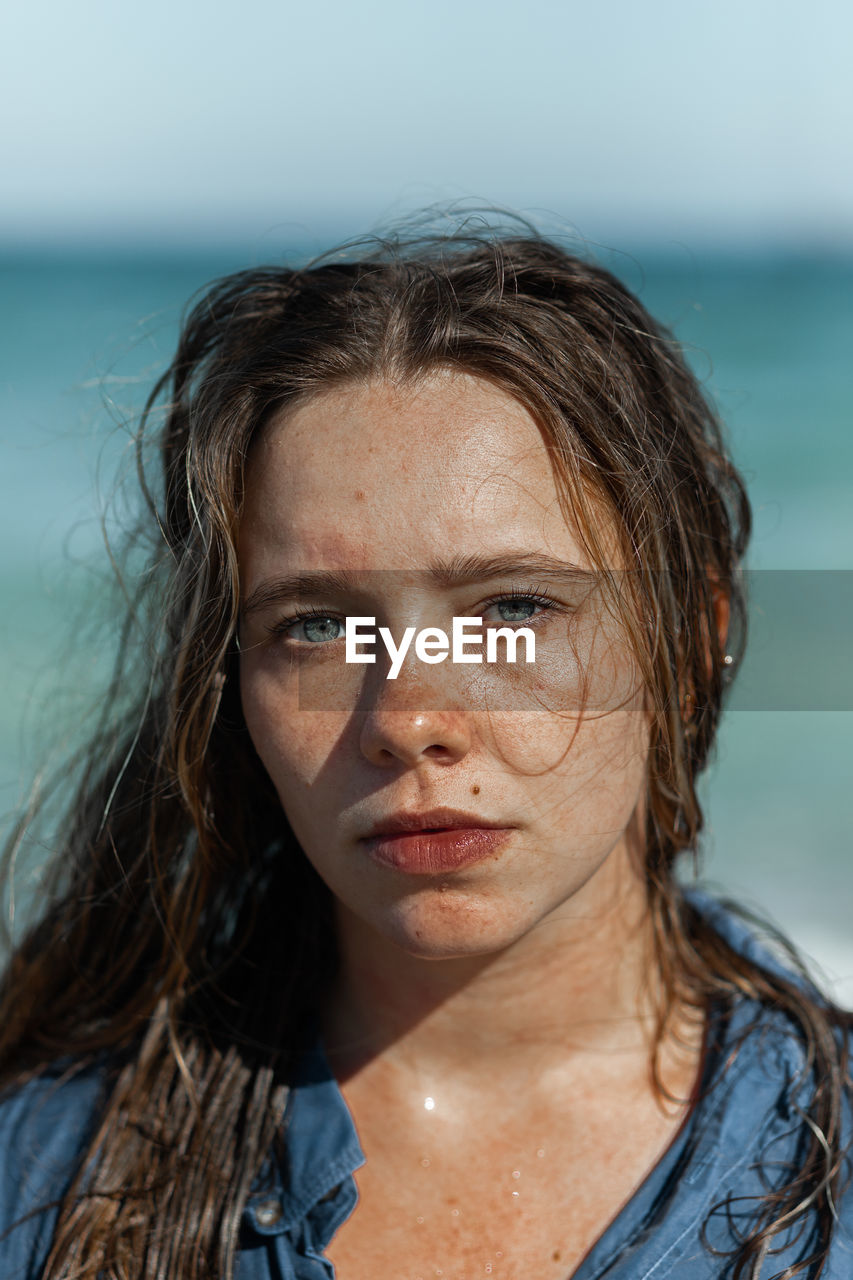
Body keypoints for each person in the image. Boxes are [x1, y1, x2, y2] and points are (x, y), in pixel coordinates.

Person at [0, 219, 850, 1280]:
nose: (407, 717)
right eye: (316, 624)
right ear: (228, 682)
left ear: (688, 643)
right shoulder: (47, 1178)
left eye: (512, 606)